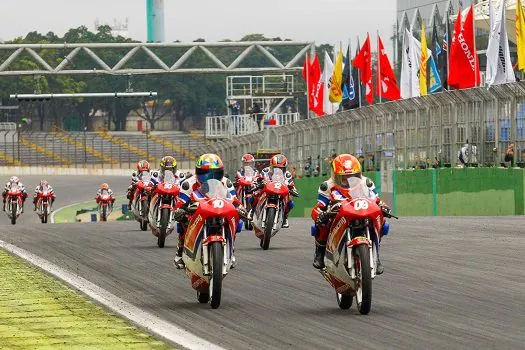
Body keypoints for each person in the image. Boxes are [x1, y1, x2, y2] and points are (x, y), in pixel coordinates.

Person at [310, 154, 393, 273]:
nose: (348, 179)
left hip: (361, 211)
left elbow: (377, 200)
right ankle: (320, 250)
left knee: (382, 223)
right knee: (322, 223)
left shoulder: (367, 183)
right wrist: (320, 215)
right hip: (338, 214)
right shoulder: (327, 186)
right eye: (343, 177)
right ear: (335, 175)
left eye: (352, 176)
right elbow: (318, 207)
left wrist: (384, 207)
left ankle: (376, 254)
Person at [172, 154, 247, 269]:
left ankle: (231, 250)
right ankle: (180, 250)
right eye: (204, 174)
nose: (210, 178)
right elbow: (180, 203)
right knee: (182, 220)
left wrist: (241, 209)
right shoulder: (188, 184)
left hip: (220, 209)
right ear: (197, 174)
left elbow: (234, 200)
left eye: (215, 174)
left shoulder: (227, 183)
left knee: (237, 219)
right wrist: (181, 211)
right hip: (198, 211)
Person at [256, 154, 299, 228]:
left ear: (284, 169)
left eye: (281, 169)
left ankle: (285, 217)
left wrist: (293, 190)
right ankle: (252, 211)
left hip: (280, 190)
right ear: (271, 166)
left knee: (290, 202)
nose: (278, 170)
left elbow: (291, 184)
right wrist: (258, 182)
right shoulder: (265, 171)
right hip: (267, 189)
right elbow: (258, 178)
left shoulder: (287, 174)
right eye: (275, 168)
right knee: (255, 194)